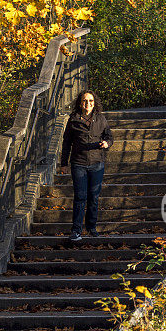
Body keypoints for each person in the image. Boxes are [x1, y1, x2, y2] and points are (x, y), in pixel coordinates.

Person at [58, 90, 112, 241]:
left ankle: (91, 227)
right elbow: (66, 143)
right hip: (78, 164)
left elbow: (109, 136)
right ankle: (76, 230)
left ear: (95, 103)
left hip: (97, 163)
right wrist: (63, 164)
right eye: (85, 101)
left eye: (91, 101)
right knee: (80, 197)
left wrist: (107, 143)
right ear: (80, 103)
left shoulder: (101, 119)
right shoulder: (73, 120)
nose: (88, 104)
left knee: (93, 197)